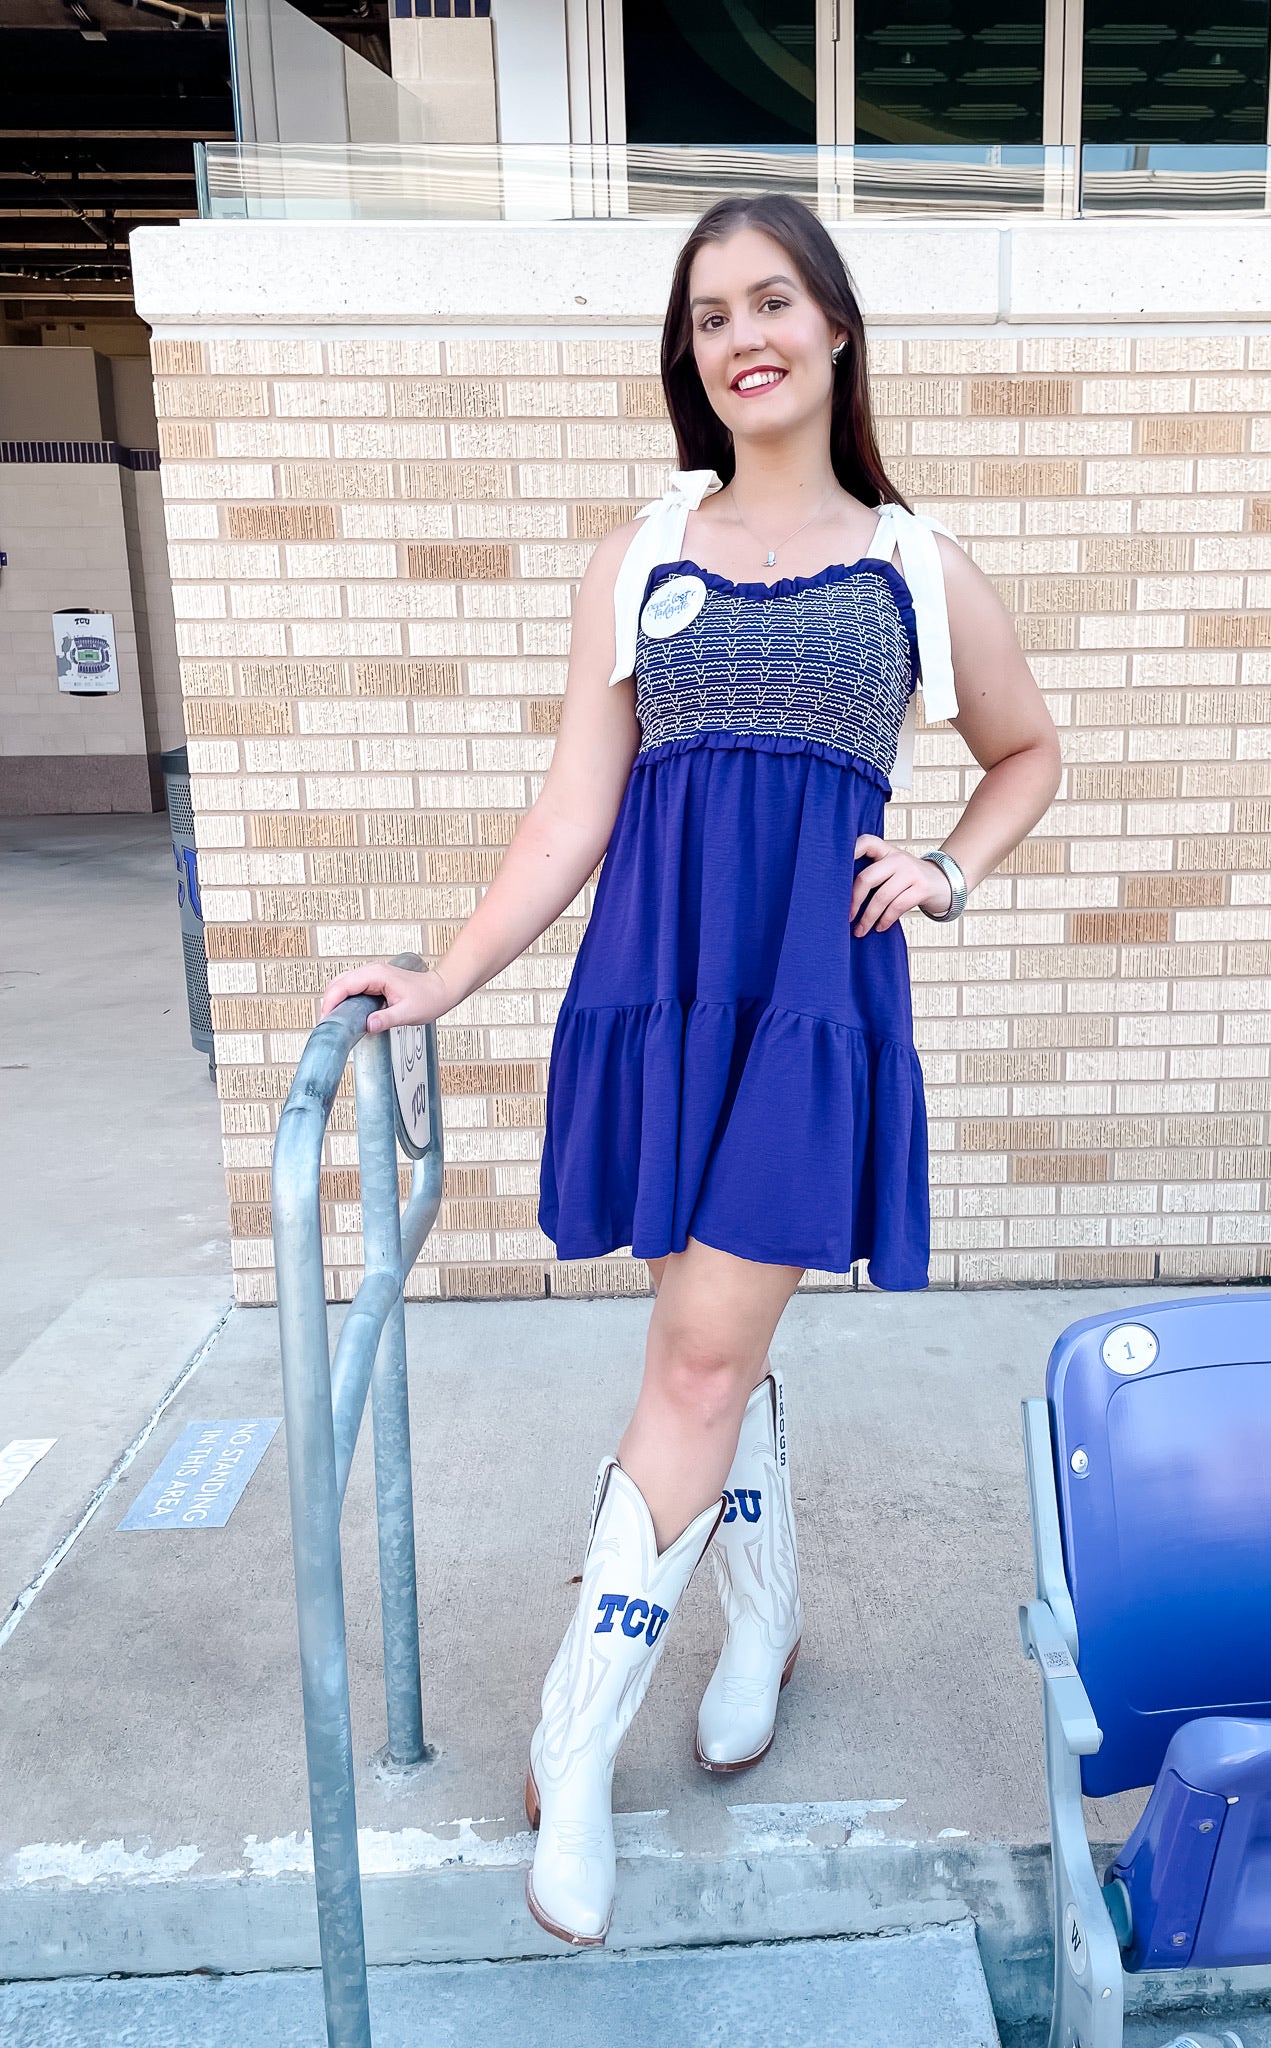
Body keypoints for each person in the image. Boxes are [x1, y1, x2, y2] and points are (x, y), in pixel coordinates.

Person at [320, 191, 1060, 1948]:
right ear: (692, 355)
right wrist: (448, 973)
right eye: (712, 314)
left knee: (697, 1358)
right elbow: (573, 811)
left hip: (810, 1007)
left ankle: (572, 1744)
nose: (745, 337)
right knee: (708, 1355)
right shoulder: (640, 554)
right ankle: (765, 1616)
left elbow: (1029, 748)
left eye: (774, 301)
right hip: (658, 994)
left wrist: (947, 868)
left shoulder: (914, 566)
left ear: (836, 327)